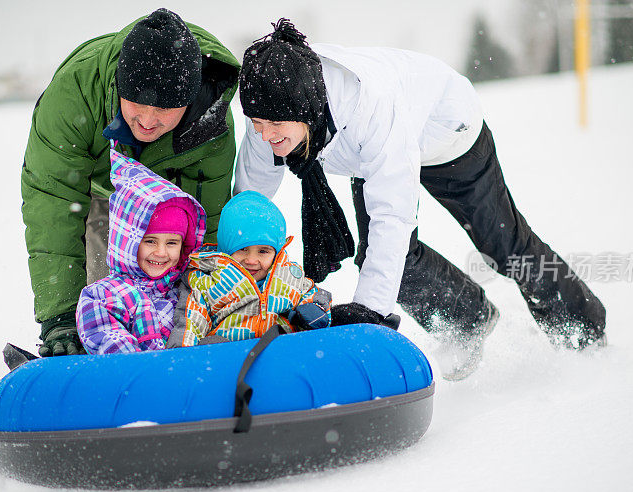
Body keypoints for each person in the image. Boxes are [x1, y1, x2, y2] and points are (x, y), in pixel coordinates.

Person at [234, 19, 606, 377]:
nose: (264, 135)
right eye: (257, 125)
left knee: (503, 246)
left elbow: (391, 218)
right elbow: (250, 198)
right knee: (390, 262)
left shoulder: (370, 108)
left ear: (303, 111)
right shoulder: (273, 105)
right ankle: (471, 320)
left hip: (448, 136)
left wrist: (369, 312)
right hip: (372, 155)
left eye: (273, 126)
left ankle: (584, 333)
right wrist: (232, 259)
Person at [21, 9, 240, 357]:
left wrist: (209, 304)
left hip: (173, 206)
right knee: (102, 304)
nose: (148, 120)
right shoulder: (75, 94)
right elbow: (53, 201)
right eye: (136, 103)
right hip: (101, 195)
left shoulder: (210, 118)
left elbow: (208, 220)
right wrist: (60, 316)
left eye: (165, 108)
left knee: (182, 303)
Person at [76, 149, 205, 354]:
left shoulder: (191, 291)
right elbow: (117, 352)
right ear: (127, 241)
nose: (161, 252)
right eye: (150, 241)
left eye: (172, 243)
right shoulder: (102, 296)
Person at [168, 191, 331, 347]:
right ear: (226, 250)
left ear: (276, 251)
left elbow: (315, 294)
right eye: (243, 249)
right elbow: (190, 323)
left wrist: (314, 310)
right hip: (232, 359)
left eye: (263, 251)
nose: (252, 260)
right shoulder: (206, 282)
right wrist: (188, 356)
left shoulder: (288, 274)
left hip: (283, 352)